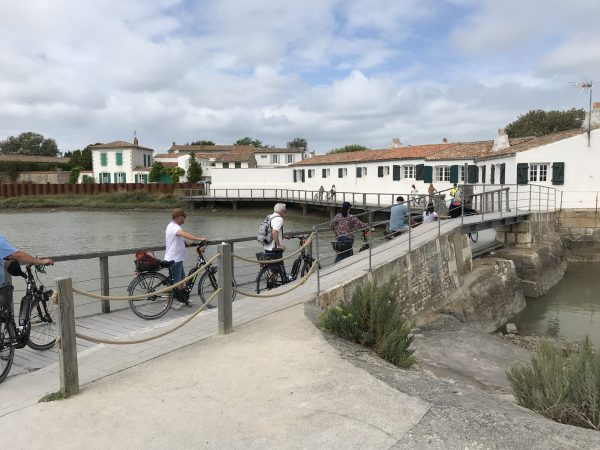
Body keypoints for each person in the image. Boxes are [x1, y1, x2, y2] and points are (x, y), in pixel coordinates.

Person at [165, 208, 208, 309]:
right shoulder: (175, 227)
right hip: (174, 260)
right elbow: (184, 234)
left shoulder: (170, 226)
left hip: (177, 259)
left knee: (182, 280)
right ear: (179, 217)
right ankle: (167, 304)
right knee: (174, 284)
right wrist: (200, 238)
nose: (184, 221)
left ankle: (184, 300)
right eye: (184, 218)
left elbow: (175, 238)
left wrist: (185, 243)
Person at [263, 203, 288, 268]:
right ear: (282, 211)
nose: (285, 213)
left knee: (272, 268)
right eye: (285, 211)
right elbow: (274, 232)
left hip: (267, 246)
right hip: (274, 248)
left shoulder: (269, 217)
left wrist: (282, 235)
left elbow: (271, 230)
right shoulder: (279, 219)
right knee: (276, 269)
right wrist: (279, 246)